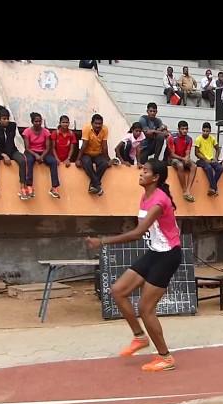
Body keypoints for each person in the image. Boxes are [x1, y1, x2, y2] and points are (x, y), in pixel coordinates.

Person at [85, 160, 181, 372]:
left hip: (168, 256)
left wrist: (102, 241)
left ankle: (165, 357)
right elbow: (144, 230)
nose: (141, 173)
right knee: (118, 291)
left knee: (146, 309)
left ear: (155, 177)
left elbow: (137, 234)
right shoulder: (145, 196)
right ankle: (139, 337)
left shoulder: (158, 202)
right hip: (155, 252)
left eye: (145, 171)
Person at [0, 105, 28, 199]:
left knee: (22, 160)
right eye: (4, 119)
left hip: (12, 150)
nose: (6, 120)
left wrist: (9, 154)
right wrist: (3, 155)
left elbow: (10, 140)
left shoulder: (12, 126)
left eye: (7, 118)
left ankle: (23, 187)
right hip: (1, 151)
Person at [23, 112, 60, 198]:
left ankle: (54, 187)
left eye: (40, 121)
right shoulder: (27, 131)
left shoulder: (46, 132)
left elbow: (48, 147)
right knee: (29, 161)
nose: (38, 123)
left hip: (43, 152)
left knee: (53, 161)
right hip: (31, 151)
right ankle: (29, 186)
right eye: (36, 121)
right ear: (32, 122)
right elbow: (27, 147)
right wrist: (36, 155)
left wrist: (42, 156)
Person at [76, 113, 110, 195]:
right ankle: (97, 185)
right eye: (96, 123)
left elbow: (104, 146)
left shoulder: (105, 129)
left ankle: (93, 185)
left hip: (98, 153)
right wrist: (78, 159)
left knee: (104, 163)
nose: (98, 126)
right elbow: (84, 145)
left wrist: (108, 159)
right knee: (87, 163)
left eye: (100, 124)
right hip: (86, 153)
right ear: (92, 123)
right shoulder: (86, 128)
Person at [166, 120, 196, 202]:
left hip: (183, 158)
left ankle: (188, 190)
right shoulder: (172, 138)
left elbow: (188, 152)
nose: (185, 131)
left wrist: (187, 158)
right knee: (180, 165)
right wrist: (184, 159)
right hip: (173, 159)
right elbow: (172, 154)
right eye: (182, 129)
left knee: (194, 166)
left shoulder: (189, 139)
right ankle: (184, 190)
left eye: (186, 129)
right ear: (178, 129)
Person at [194, 122, 222, 196]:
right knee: (208, 168)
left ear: (210, 131)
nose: (205, 133)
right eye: (204, 131)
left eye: (207, 131)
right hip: (201, 160)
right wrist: (205, 158)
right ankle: (214, 188)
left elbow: (217, 148)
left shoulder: (212, 138)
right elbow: (196, 153)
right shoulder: (198, 139)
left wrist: (216, 158)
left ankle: (212, 187)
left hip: (211, 159)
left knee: (220, 168)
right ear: (202, 130)